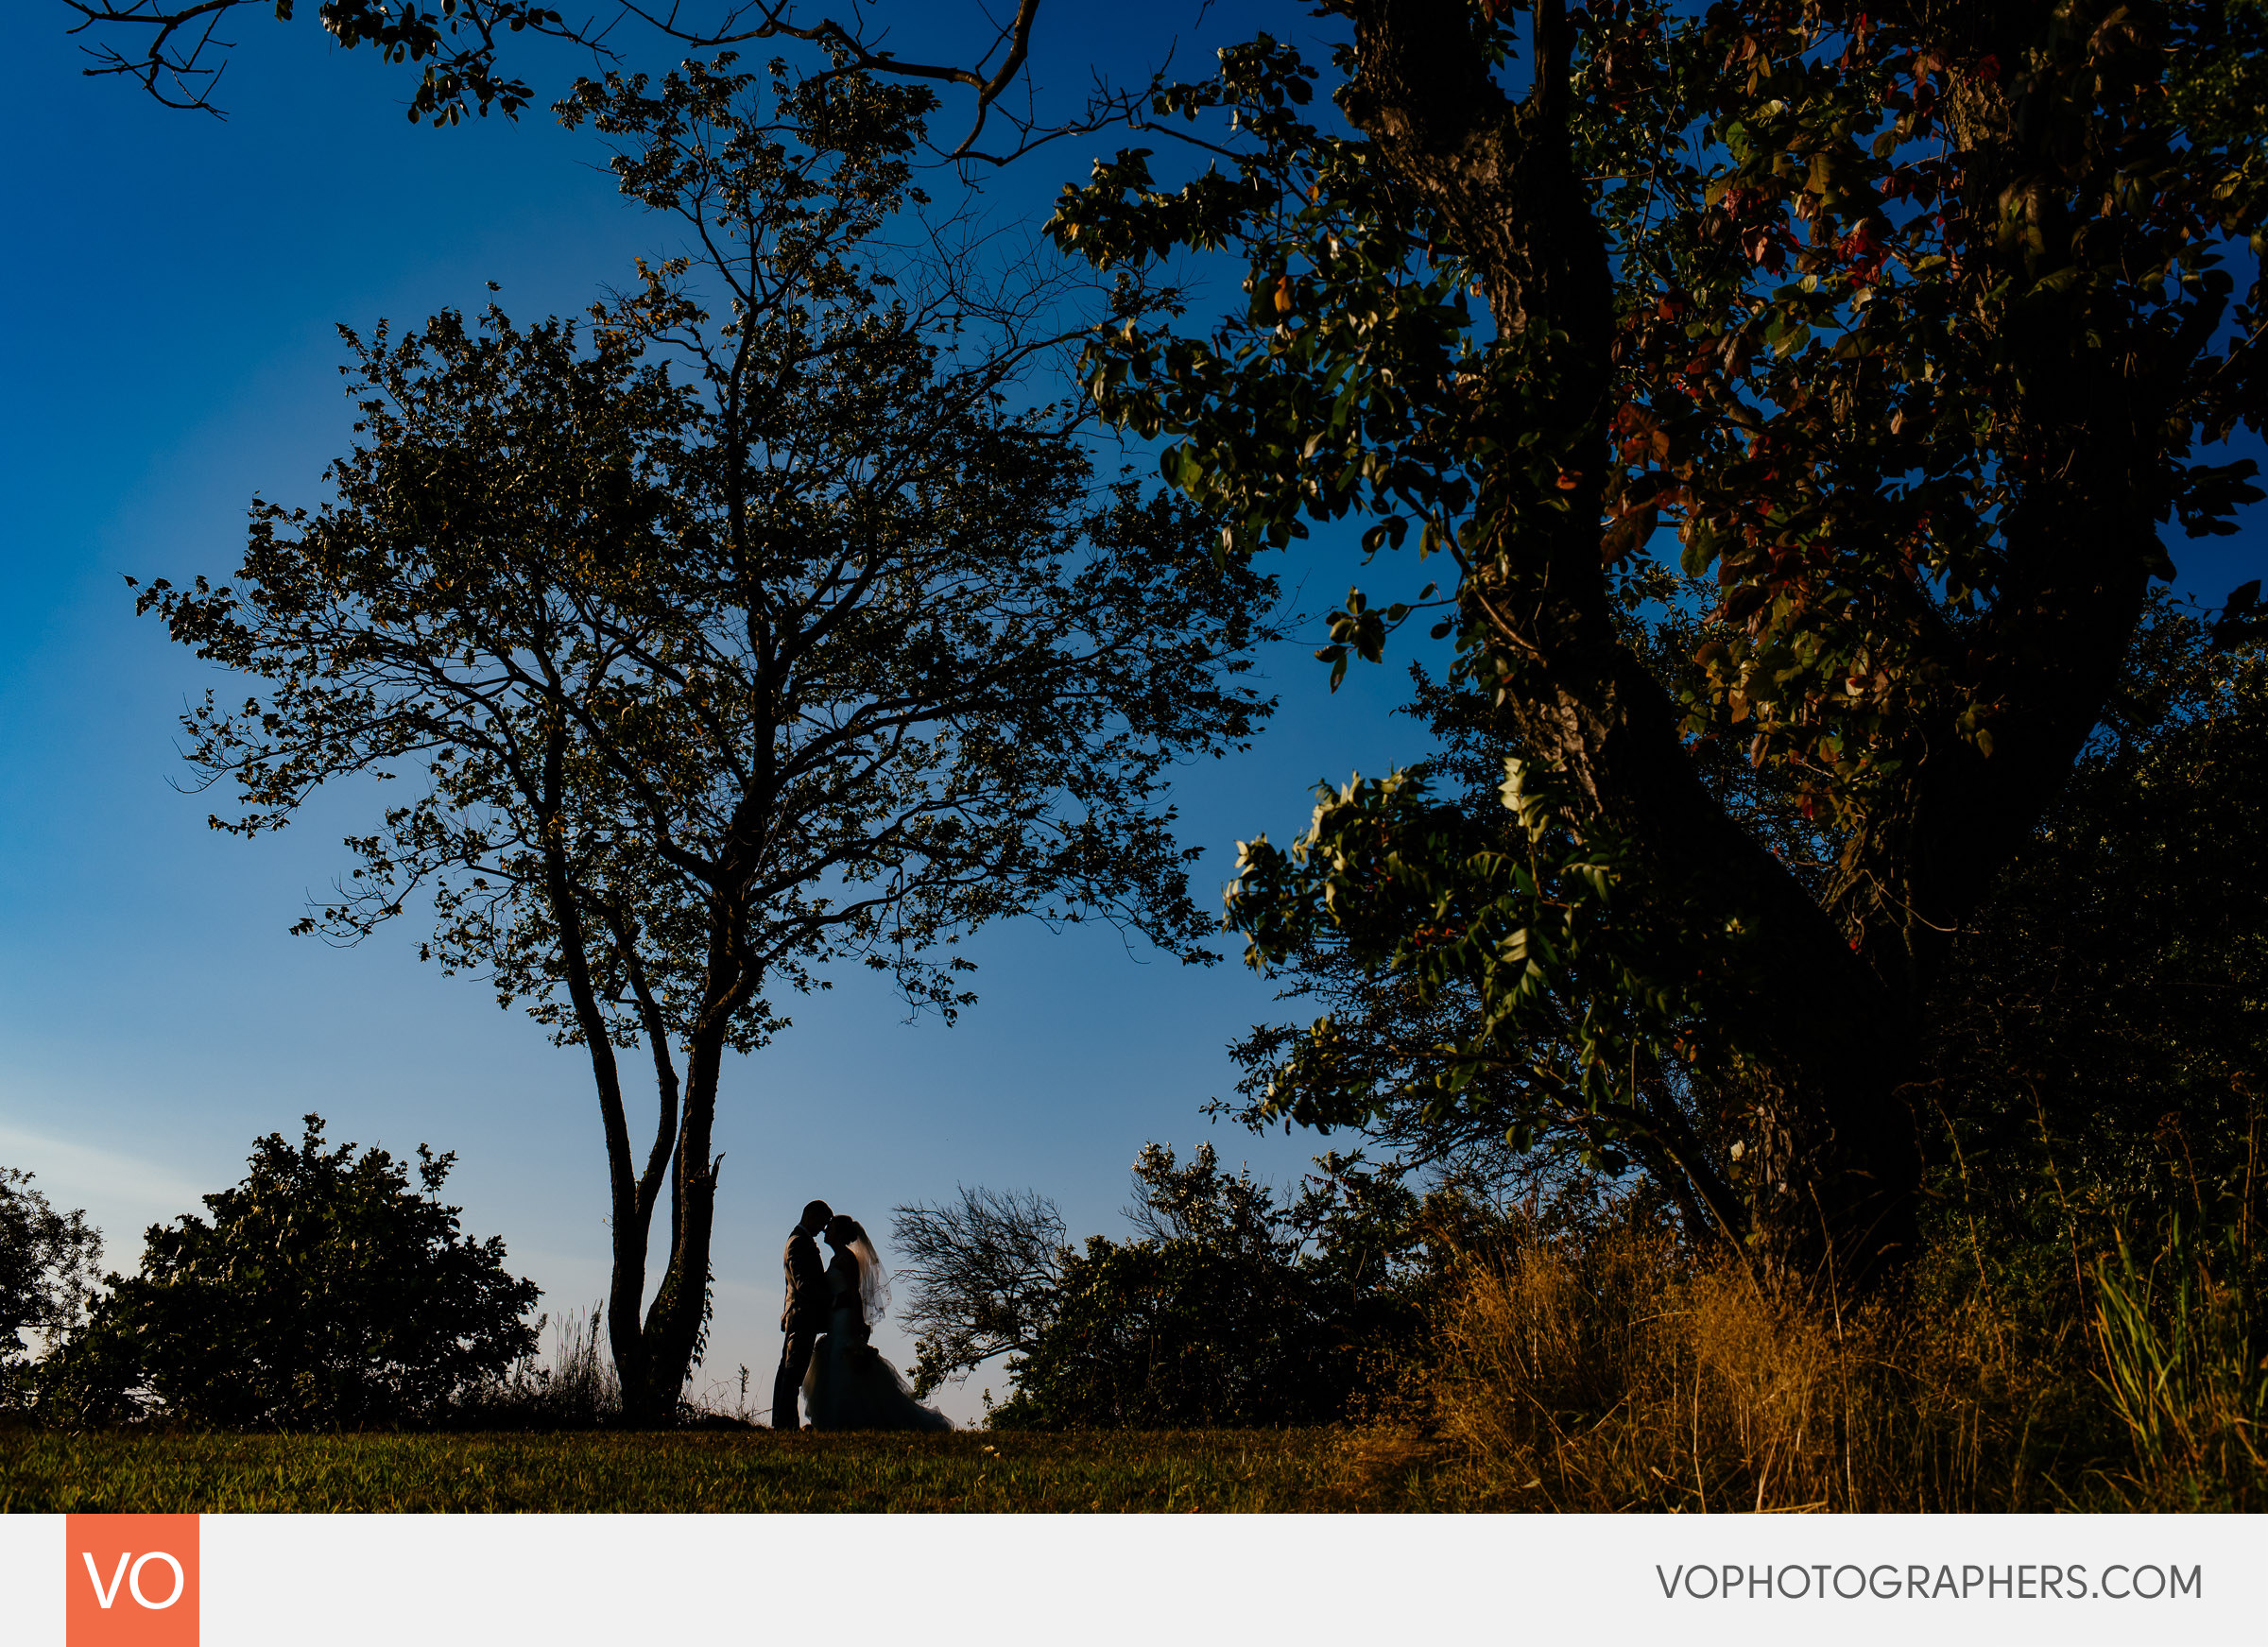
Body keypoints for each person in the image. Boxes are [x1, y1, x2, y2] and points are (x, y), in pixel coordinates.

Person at [802, 1213, 954, 1432]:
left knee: (844, 1363)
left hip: (845, 1317)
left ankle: (849, 1420)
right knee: (835, 1364)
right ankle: (835, 1421)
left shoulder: (846, 1259)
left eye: (831, 1227)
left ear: (841, 1234)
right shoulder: (837, 1259)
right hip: (836, 1317)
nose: (826, 1231)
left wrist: (858, 1323)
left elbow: (854, 1294)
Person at [772, 1198, 834, 1430]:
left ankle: (783, 1423)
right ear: (811, 1216)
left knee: (790, 1372)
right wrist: (830, 1299)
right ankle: (785, 1424)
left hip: (802, 1315)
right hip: (801, 1316)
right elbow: (803, 1284)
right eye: (823, 1222)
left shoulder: (801, 1240)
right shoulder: (799, 1242)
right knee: (792, 1373)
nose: (824, 1228)